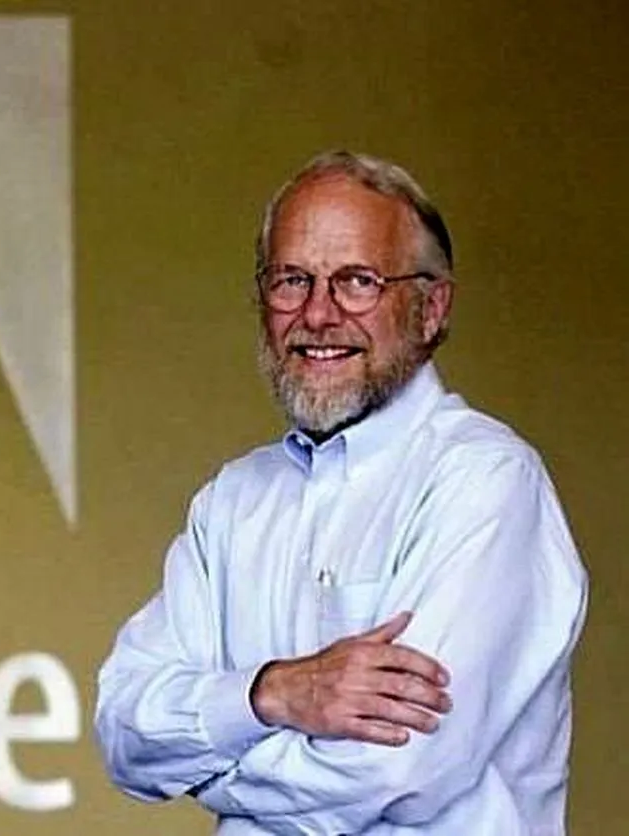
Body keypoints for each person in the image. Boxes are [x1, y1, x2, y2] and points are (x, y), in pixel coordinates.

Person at [94, 151, 588, 834]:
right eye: (292, 280)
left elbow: (396, 774)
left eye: (358, 282)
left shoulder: (487, 481)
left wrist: (212, 771)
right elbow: (125, 733)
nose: (318, 314)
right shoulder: (232, 501)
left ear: (431, 309)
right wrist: (271, 692)